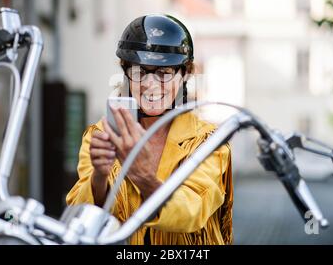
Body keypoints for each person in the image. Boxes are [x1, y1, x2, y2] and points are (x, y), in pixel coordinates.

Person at [66, 14, 234, 245]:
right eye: (139, 72)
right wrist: (99, 177)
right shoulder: (101, 135)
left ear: (186, 73)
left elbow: (192, 213)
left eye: (164, 73)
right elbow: (81, 218)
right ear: (125, 71)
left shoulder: (209, 142)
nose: (150, 84)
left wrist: (144, 177)